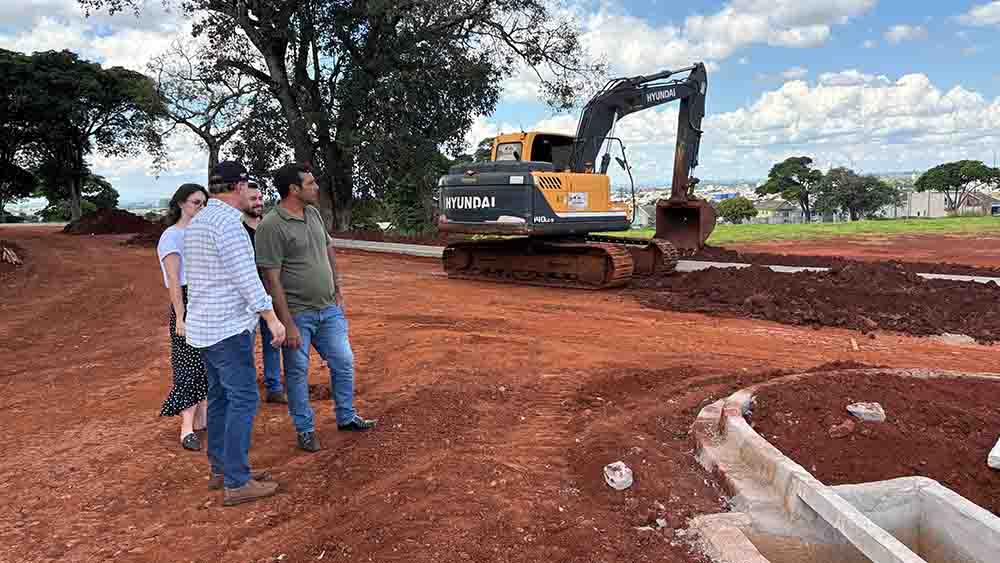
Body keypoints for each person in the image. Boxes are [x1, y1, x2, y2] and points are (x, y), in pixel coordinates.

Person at [255, 162, 376, 453]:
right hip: (297, 313)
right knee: (297, 373)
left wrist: (337, 286)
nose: (316, 187)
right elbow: (271, 279)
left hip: (328, 310)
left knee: (343, 361)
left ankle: (346, 417)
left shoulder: (313, 214)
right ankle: (305, 429)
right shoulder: (271, 226)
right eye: (310, 183)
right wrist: (288, 323)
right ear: (294, 190)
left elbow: (327, 248)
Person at [185, 160, 287, 506]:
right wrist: (272, 319)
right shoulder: (229, 225)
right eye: (248, 188)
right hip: (227, 329)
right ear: (239, 186)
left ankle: (223, 469)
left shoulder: (199, 222)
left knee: (221, 399)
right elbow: (247, 278)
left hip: (205, 329)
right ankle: (238, 481)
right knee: (243, 399)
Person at [157, 183, 210, 451]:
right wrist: (181, 316)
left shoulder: (201, 233)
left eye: (203, 203)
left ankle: (202, 419)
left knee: (206, 363)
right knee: (188, 365)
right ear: (180, 204)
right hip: (187, 302)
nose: (199, 208)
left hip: (207, 300)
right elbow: (174, 281)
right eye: (195, 203)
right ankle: (186, 428)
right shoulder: (171, 236)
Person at [242, 182, 287, 404]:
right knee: (246, 345)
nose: (258, 203)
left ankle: (274, 387)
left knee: (273, 340)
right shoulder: (236, 230)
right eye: (253, 199)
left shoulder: (269, 227)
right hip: (245, 299)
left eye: (260, 198)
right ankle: (248, 391)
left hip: (271, 293)